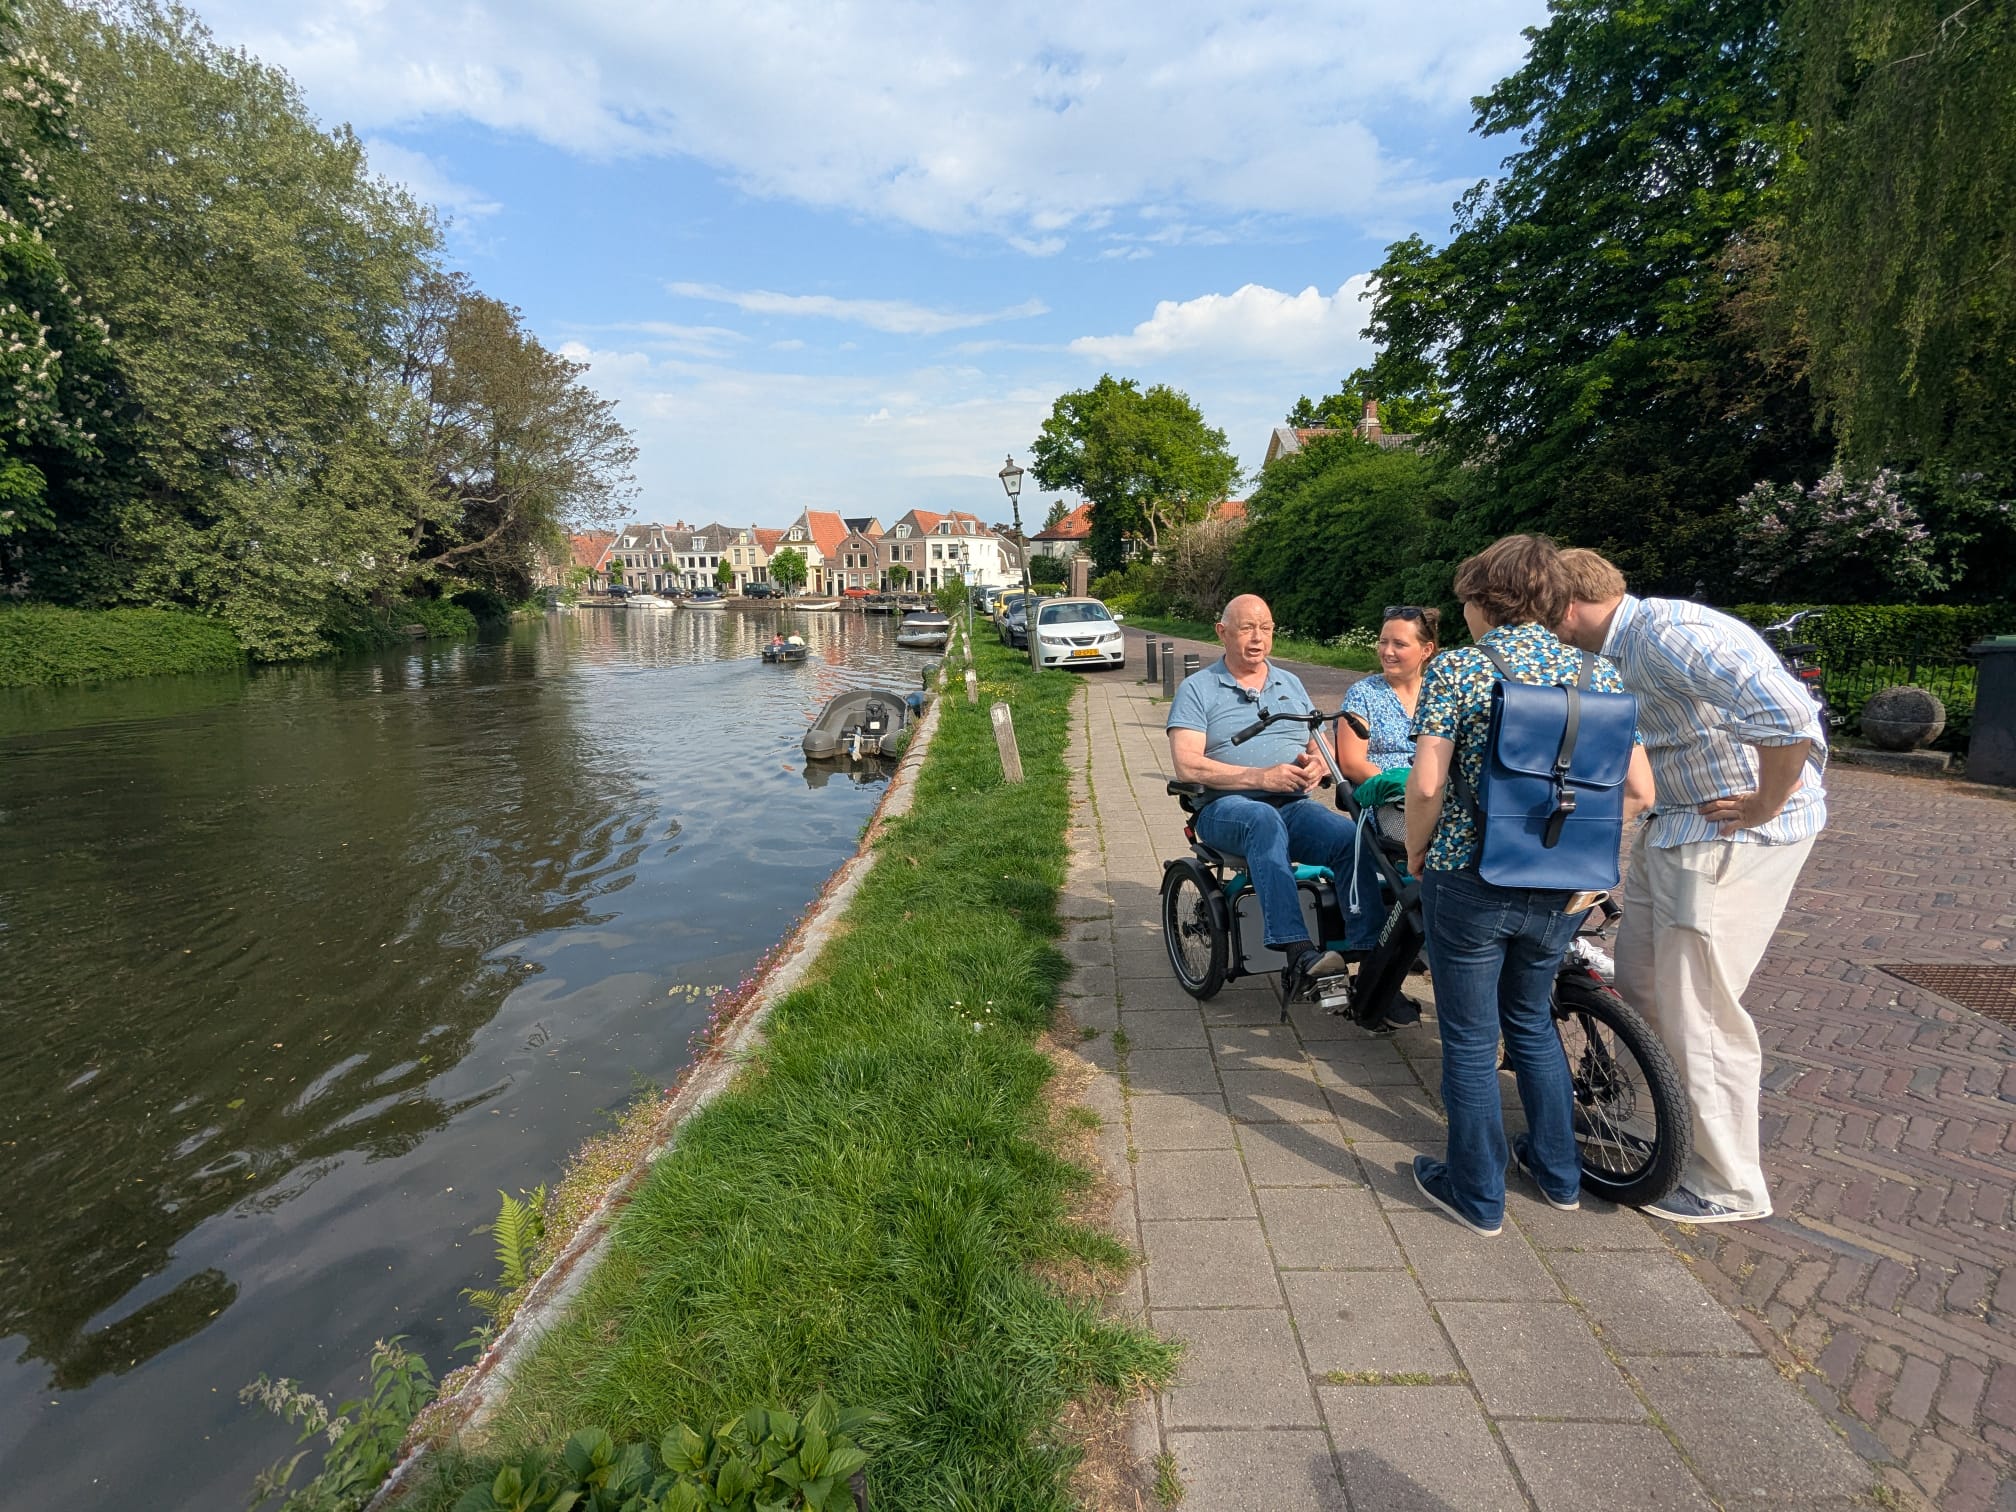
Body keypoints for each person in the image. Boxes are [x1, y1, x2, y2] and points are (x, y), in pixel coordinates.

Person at [1554, 548, 1825, 1224]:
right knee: (1643, 988)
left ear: (1564, 607)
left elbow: (1788, 712)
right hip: (1672, 827)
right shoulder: (1612, 648)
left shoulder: (1668, 636)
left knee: (1697, 1008)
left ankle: (1727, 1185)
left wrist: (1765, 802)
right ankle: (1673, 1138)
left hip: (1725, 839)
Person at [1403, 537, 1655, 1235]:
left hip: (1471, 876)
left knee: (1470, 1037)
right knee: (1533, 1022)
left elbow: (1426, 783)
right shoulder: (1597, 675)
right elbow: (1639, 790)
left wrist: (1418, 849)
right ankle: (1558, 1173)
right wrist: (1582, 862)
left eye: (1467, 604)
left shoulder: (1459, 670)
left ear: (1486, 599)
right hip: (1559, 887)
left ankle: (1475, 1192)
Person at [1166, 594, 1364, 996]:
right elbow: (1187, 766)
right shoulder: (1198, 689)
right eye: (1246, 629)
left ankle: (1367, 946)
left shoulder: (1289, 682)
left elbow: (1318, 743)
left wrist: (1318, 764)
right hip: (1224, 808)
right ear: (1222, 633)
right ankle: (1297, 949)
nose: (1258, 638)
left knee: (1352, 838)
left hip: (1292, 804)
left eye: (1266, 629)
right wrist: (1262, 777)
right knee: (1262, 820)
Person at [1337, 606, 1441, 783]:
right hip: (1387, 800)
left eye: (1399, 644)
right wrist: (1402, 790)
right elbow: (1352, 764)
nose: (1387, 651)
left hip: (1437, 796)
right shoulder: (1362, 694)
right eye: (1383, 642)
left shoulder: (1440, 695)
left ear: (1426, 650)